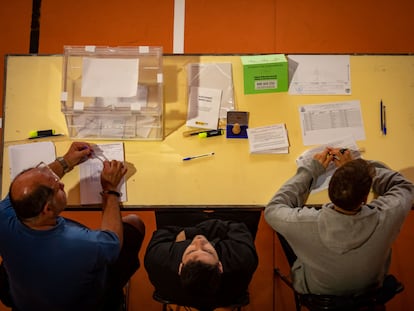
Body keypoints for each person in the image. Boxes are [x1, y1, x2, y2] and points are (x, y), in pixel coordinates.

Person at [0, 142, 145, 311]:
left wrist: (66, 161)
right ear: (47, 209)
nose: (61, 183)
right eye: (57, 187)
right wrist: (110, 190)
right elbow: (113, 241)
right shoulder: (79, 243)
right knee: (135, 223)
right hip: (84, 304)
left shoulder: (5, 215)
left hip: (25, 298)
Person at [265, 147, 414, 297]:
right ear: (364, 198)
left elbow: (272, 209)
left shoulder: (303, 223)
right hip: (370, 290)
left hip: (317, 291)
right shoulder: (388, 215)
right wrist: (359, 170)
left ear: (330, 191)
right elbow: (405, 187)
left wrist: (309, 172)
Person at [144, 210, 259, 309]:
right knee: (248, 206)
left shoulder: (158, 259)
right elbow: (238, 227)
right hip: (224, 224)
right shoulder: (241, 258)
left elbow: (164, 231)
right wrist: (196, 231)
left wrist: (189, 233)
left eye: (191, 251)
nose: (199, 241)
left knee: (168, 201)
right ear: (220, 266)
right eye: (208, 251)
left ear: (180, 267)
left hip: (184, 225)